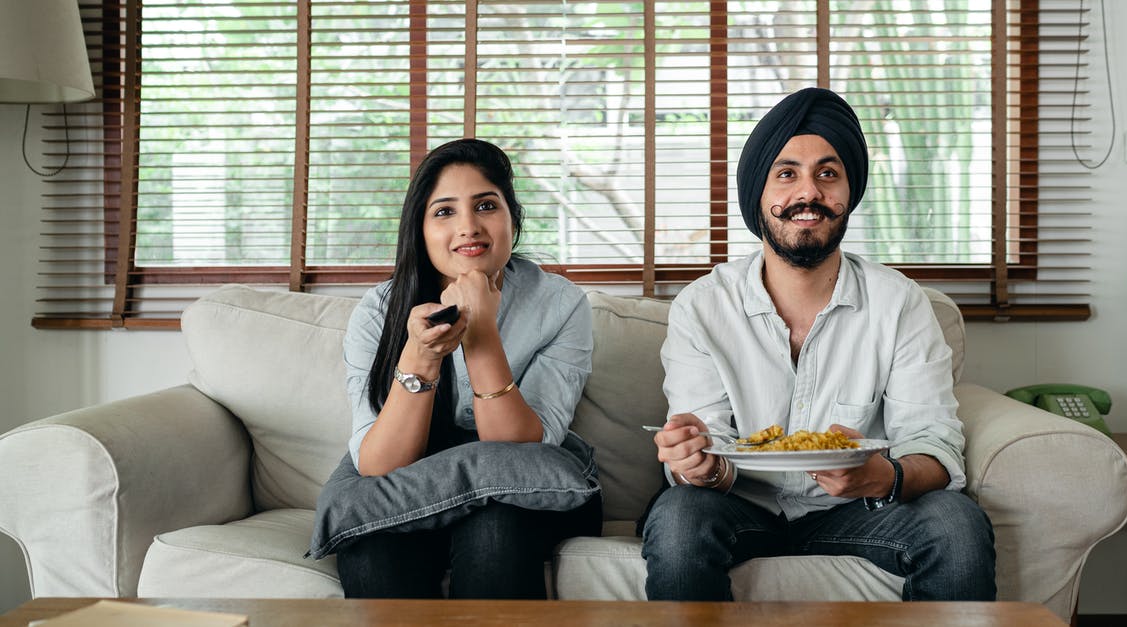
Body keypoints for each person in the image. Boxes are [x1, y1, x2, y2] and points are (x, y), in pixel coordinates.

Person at [640, 88, 996, 601]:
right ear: (758, 193)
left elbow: (933, 443)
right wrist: (700, 462)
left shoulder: (900, 304)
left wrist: (880, 478)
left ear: (848, 192)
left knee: (956, 524)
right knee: (677, 516)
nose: (808, 193)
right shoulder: (702, 307)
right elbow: (708, 440)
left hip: (861, 512)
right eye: (786, 173)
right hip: (740, 507)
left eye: (828, 173)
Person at [334, 138, 601, 599]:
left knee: (496, 529)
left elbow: (522, 450)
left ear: (511, 218)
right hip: (409, 478)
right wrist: (420, 355)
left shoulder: (559, 303)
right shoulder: (379, 311)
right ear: (419, 228)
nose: (468, 227)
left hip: (521, 488)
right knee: (372, 543)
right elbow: (379, 465)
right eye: (444, 212)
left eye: (485, 205)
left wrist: (481, 335)